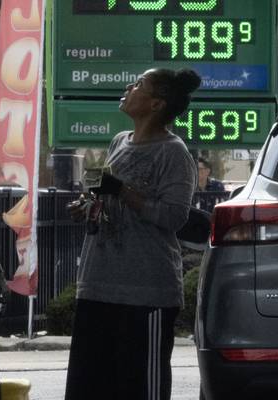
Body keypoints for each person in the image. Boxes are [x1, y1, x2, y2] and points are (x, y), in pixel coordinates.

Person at [65, 68, 200, 400]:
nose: (129, 87)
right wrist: (88, 205)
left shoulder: (173, 152)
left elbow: (174, 216)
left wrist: (123, 191)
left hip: (146, 293)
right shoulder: (118, 142)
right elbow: (106, 199)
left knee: (139, 388)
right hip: (97, 284)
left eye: (139, 84)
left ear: (156, 104)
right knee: (89, 386)